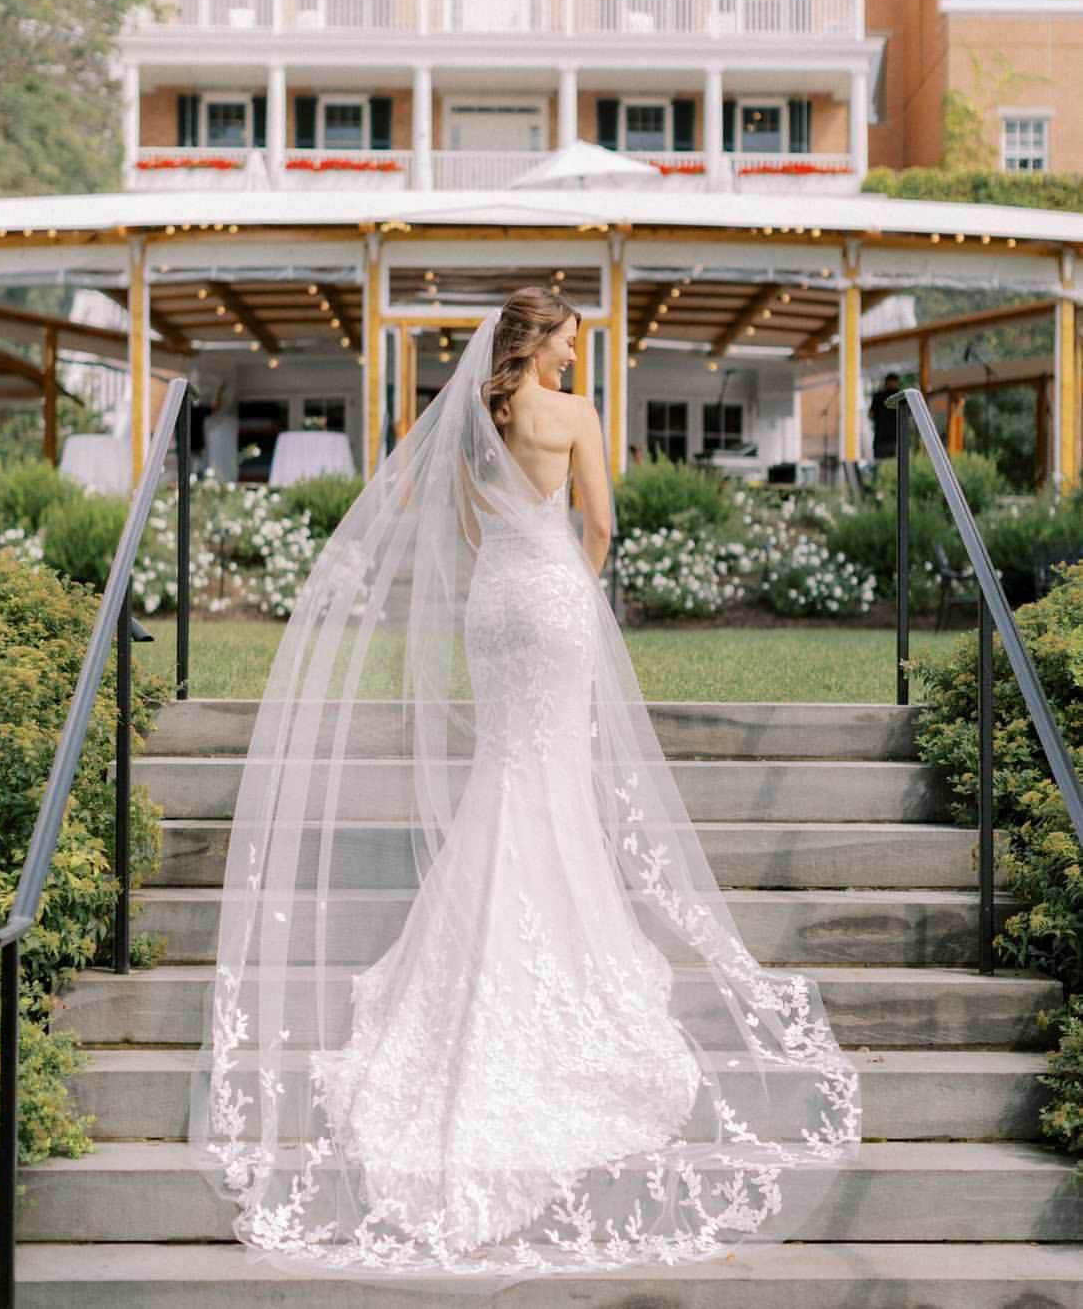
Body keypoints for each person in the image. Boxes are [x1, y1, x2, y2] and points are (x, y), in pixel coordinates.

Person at [189, 287, 861, 1281]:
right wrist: (571, 584)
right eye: (570, 339)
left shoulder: (475, 421)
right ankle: (555, 935)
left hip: (496, 605)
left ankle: (479, 947)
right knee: (547, 776)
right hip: (551, 598)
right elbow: (598, 522)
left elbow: (462, 534)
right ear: (541, 344)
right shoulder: (575, 418)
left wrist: (517, 571)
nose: (576, 355)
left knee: (503, 774)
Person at [869, 371, 902, 460]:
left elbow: (871, 414)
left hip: (886, 437)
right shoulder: (901, 396)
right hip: (891, 436)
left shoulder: (878, 396)